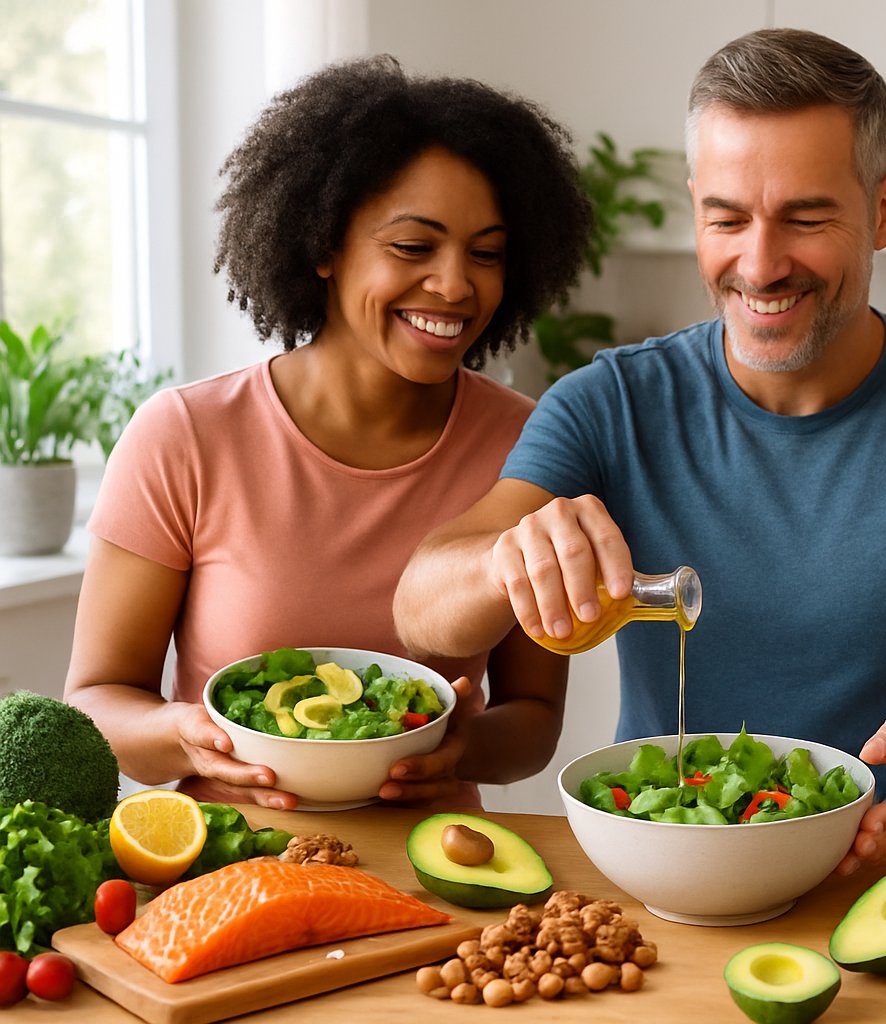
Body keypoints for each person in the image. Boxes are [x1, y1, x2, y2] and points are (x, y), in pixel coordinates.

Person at [394, 28, 886, 872]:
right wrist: (504, 562)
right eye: (727, 218)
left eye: (806, 217)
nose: (760, 263)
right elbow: (421, 606)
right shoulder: (609, 403)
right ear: (695, 208)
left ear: (883, 209)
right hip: (667, 875)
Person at [64, 56, 590, 810]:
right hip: (234, 868)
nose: (455, 285)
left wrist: (465, 745)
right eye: (413, 247)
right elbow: (93, 700)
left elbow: (534, 722)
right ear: (322, 245)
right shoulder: (185, 437)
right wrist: (186, 733)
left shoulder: (534, 443)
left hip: (439, 872)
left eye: (486, 253)